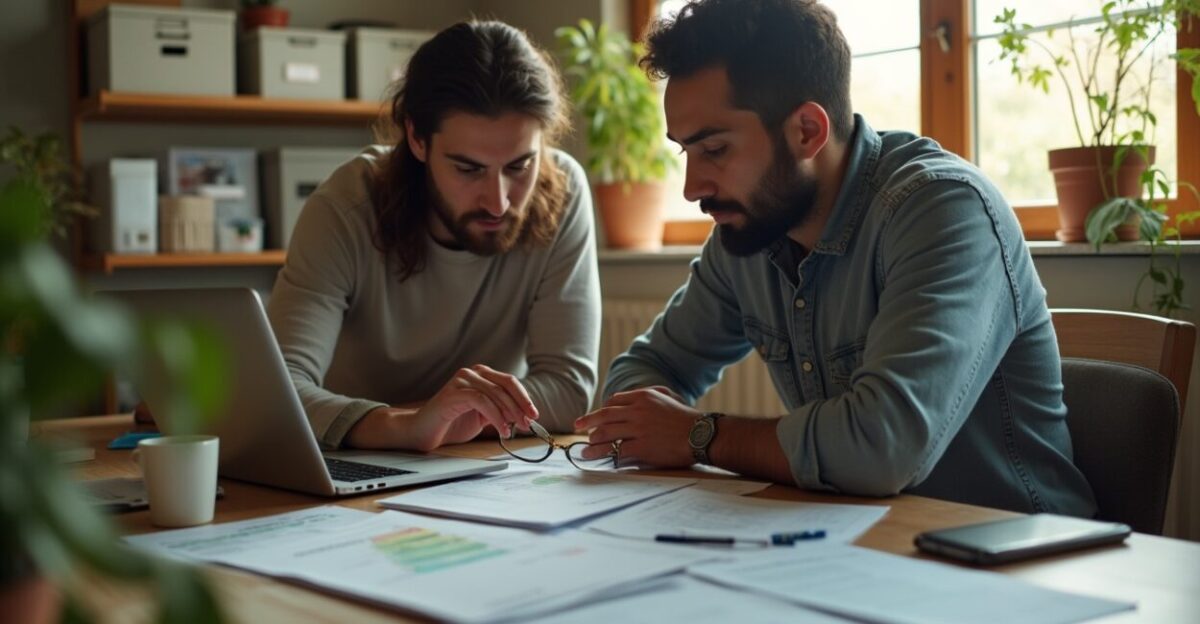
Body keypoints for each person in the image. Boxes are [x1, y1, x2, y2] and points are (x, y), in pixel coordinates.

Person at [575, 0, 1096, 516]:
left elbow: (881, 447)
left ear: (807, 131)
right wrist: (644, 423)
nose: (691, 188)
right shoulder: (753, 231)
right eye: (685, 152)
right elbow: (647, 368)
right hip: (860, 540)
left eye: (714, 150)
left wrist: (698, 435)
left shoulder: (944, 210)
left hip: (1022, 549)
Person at [268, 21, 600, 453]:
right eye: (468, 169)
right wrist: (406, 427)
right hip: (357, 457)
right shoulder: (344, 206)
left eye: (519, 166)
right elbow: (280, 391)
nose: (498, 202)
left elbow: (568, 391)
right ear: (417, 139)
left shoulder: (562, 192)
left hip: (477, 460)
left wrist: (434, 422)